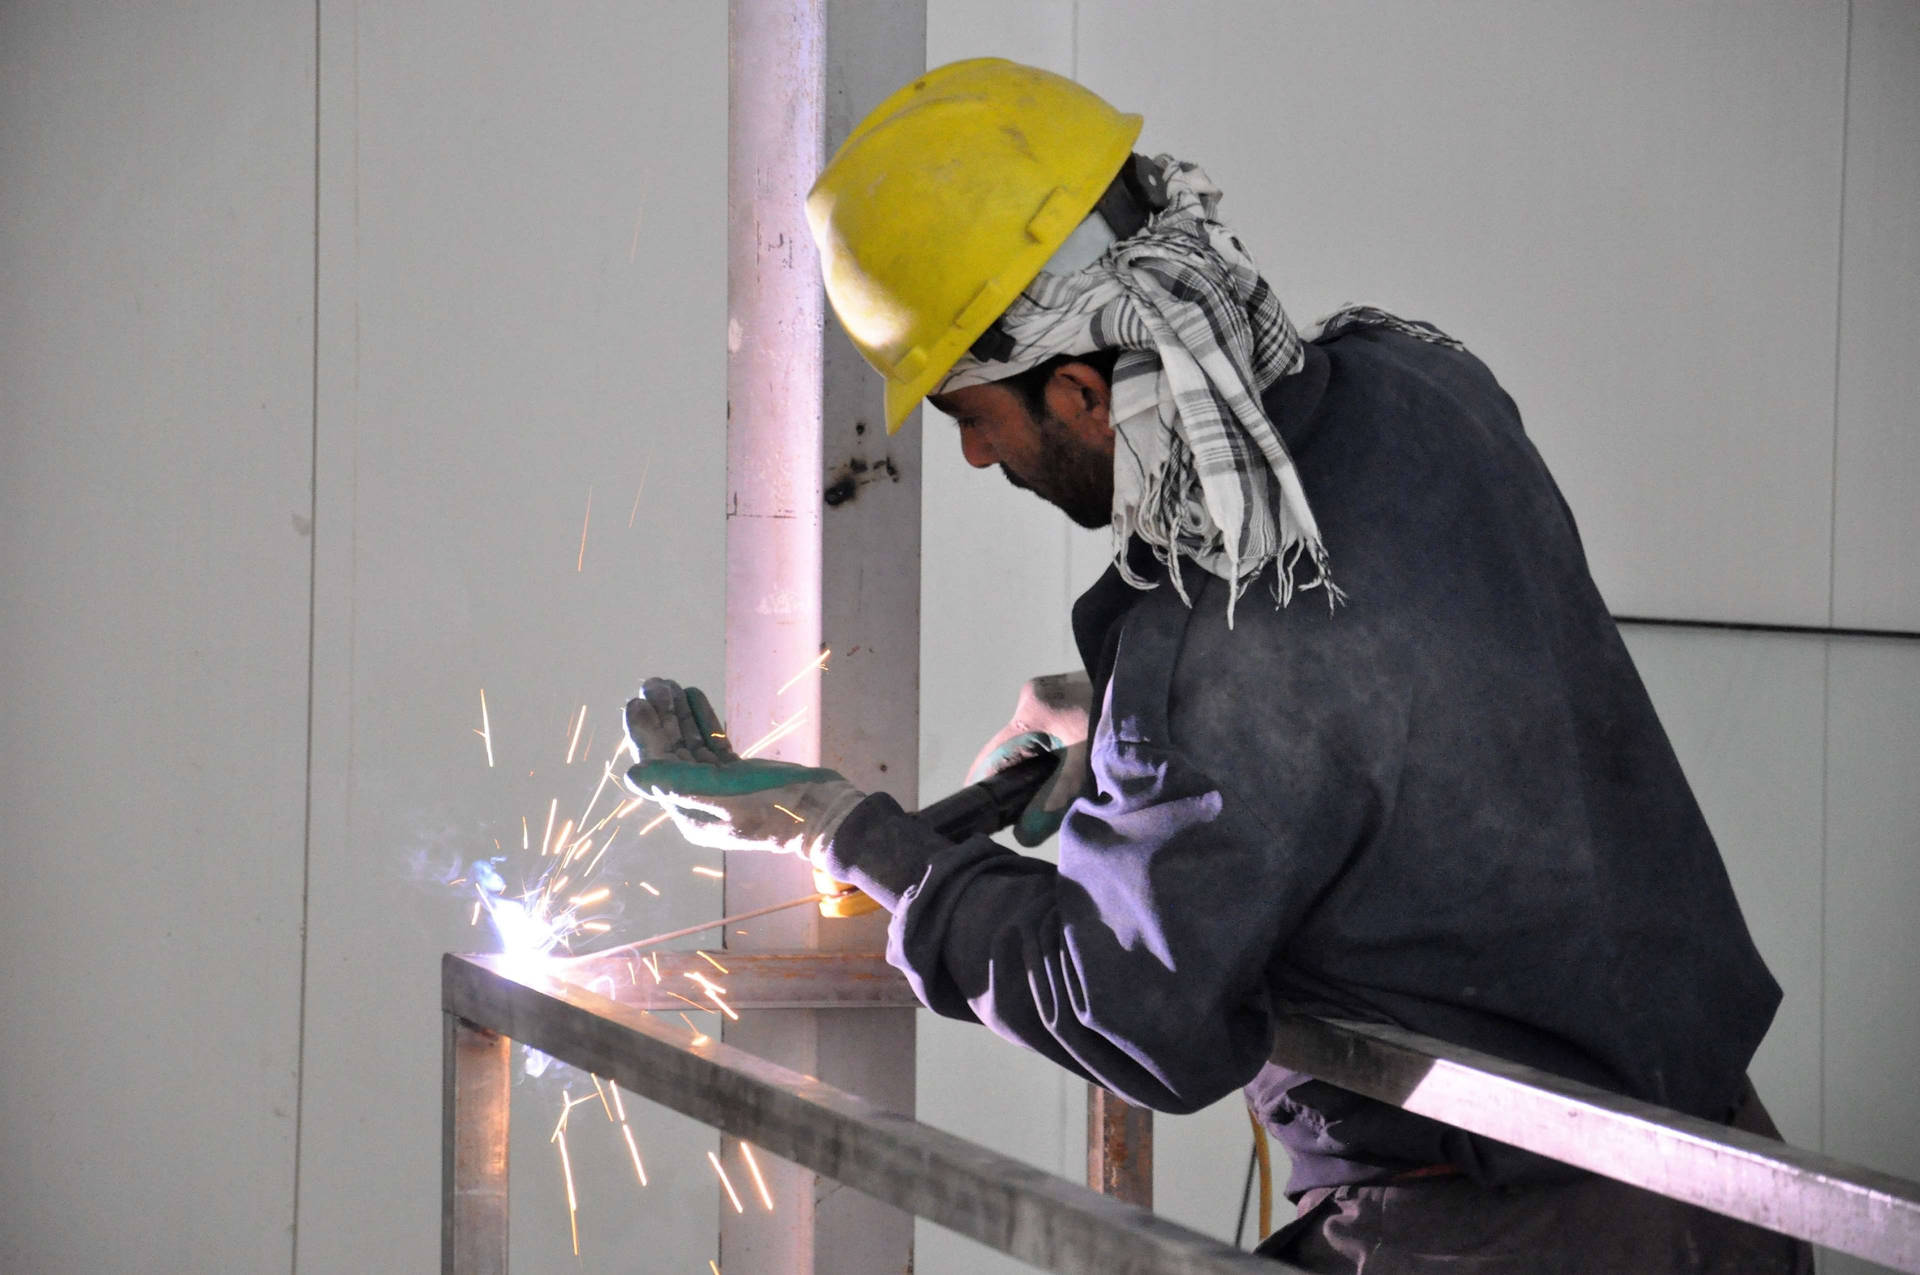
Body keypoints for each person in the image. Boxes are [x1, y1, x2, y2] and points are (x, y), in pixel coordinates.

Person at [622, 59, 1811, 1273]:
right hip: (1733, 1186)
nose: (979, 458)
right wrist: (1123, 712)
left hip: (1504, 1237)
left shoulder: (1221, 644)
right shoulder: (1419, 389)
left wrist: (845, 828)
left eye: (975, 417)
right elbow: (1402, 671)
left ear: (1081, 390)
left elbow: (1128, 1009)